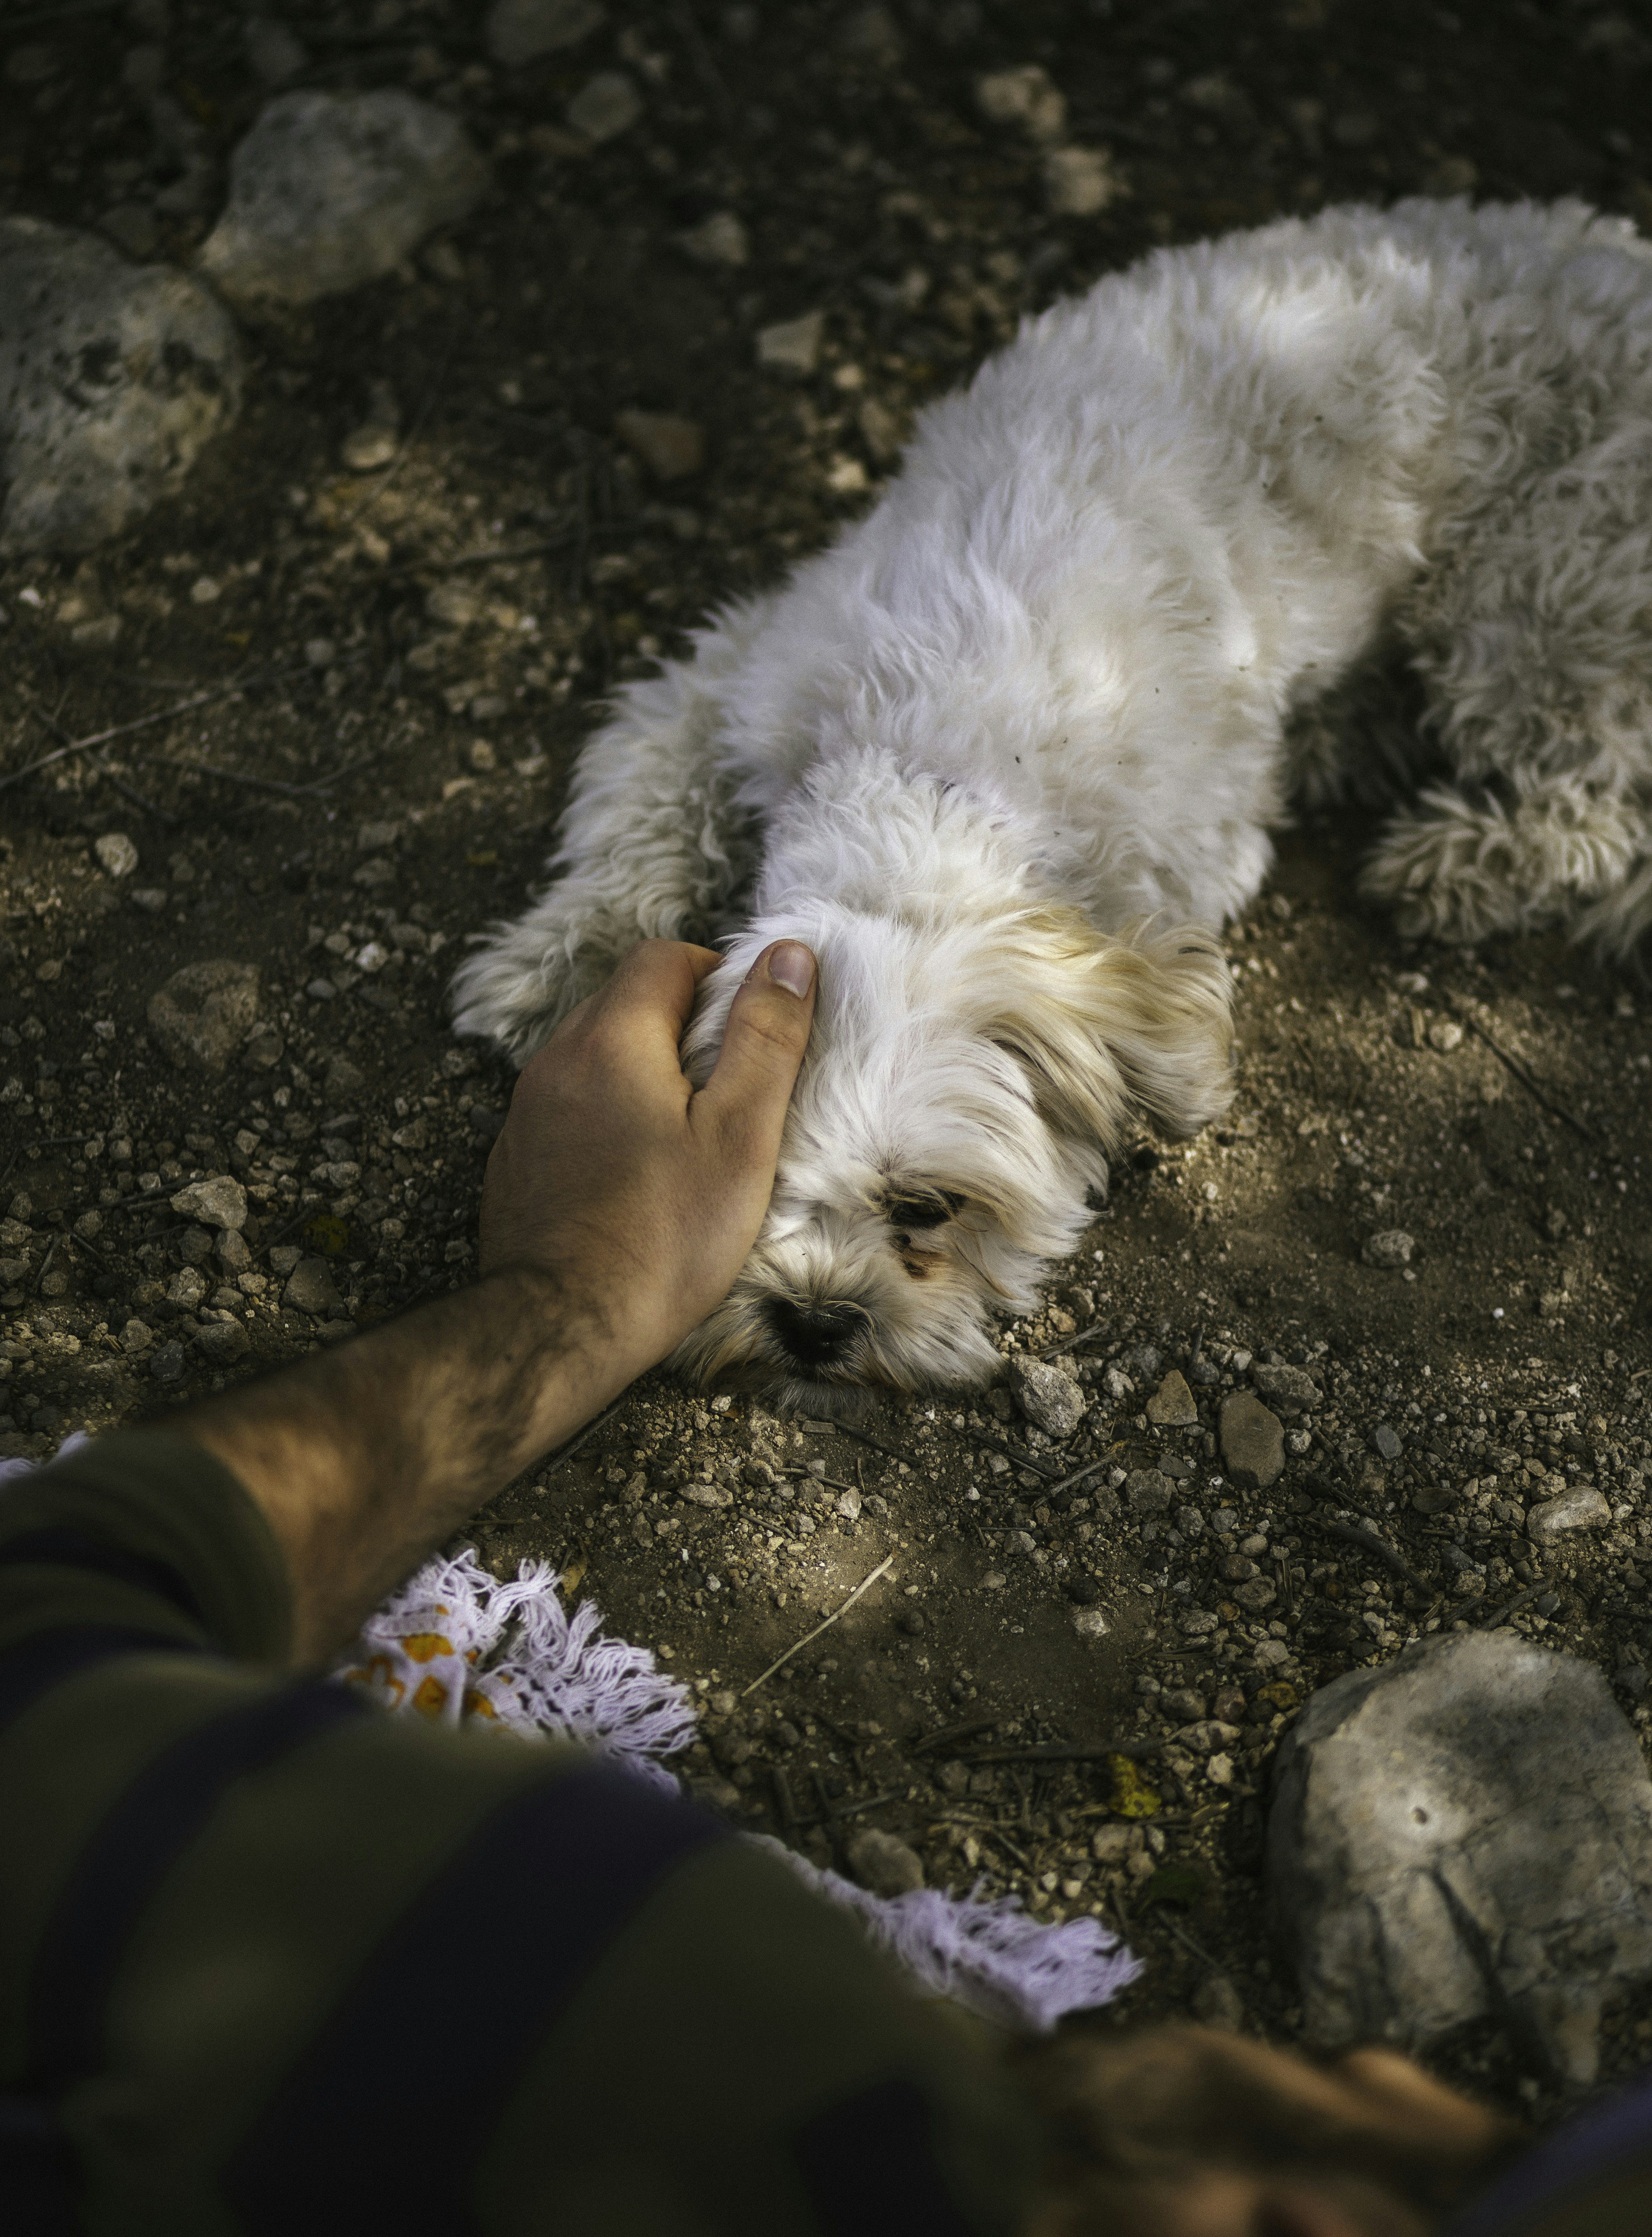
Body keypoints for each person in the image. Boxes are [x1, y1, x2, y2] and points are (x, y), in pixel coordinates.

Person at [0, 937, 1638, 2235]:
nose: (1403, 2106)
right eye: (1489, 2169)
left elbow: (53, 1634)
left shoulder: (716, 2075)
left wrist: (573, 1296)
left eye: (1471, 2191)